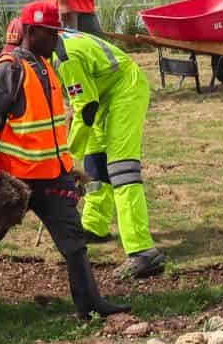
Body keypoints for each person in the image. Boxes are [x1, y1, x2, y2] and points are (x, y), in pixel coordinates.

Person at [0, 1, 129, 318]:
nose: (56, 39)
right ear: (31, 32)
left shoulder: (47, 67)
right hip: (16, 180)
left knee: (74, 242)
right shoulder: (10, 69)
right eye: (51, 33)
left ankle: (89, 305)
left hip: (52, 176)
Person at [55, 28, 166, 280]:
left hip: (125, 89)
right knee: (94, 161)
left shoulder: (64, 58)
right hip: (100, 94)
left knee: (122, 170)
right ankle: (94, 225)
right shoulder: (52, 45)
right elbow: (84, 101)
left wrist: (67, 156)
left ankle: (142, 252)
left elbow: (86, 108)